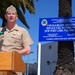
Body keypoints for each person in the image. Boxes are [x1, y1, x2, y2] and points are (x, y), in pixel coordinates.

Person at [0, 5, 34, 75]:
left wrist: (12, 54)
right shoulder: (0, 31)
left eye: (13, 14)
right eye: (9, 14)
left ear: (17, 17)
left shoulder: (22, 31)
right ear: (5, 16)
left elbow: (27, 50)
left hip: (15, 68)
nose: (11, 15)